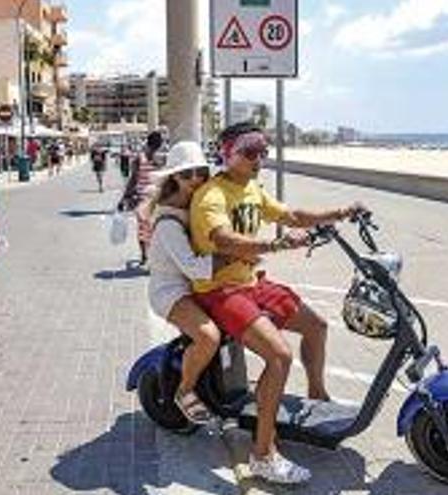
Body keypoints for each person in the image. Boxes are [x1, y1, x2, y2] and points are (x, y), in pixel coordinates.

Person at [190, 122, 366, 484]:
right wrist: (273, 246)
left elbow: (293, 216)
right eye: (250, 151)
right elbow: (223, 239)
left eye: (263, 151)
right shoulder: (213, 195)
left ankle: (317, 395)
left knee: (316, 325)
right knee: (279, 355)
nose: (259, 159)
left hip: (249, 282)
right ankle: (263, 454)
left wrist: (341, 212)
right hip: (219, 290)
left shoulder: (252, 189)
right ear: (228, 153)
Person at [147, 141, 223, 424]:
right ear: (174, 178)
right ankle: (185, 390)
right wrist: (232, 256)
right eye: (186, 174)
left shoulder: (195, 204)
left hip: (193, 287)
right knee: (208, 337)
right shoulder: (169, 221)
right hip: (170, 292)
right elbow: (194, 268)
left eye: (200, 172)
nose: (195, 179)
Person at [120, 131, 164, 265]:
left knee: (142, 228)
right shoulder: (162, 159)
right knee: (156, 228)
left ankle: (144, 255)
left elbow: (133, 179)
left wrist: (125, 196)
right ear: (160, 144)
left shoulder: (139, 158)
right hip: (158, 200)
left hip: (142, 199)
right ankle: (153, 255)